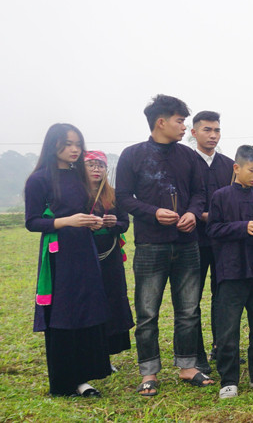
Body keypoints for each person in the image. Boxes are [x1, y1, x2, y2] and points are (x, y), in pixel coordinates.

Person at [116, 94, 213, 396]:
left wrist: (192, 214)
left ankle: (187, 366)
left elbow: (200, 193)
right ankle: (149, 372)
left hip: (187, 244)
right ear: (161, 122)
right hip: (150, 246)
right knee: (147, 313)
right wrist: (153, 212)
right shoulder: (132, 155)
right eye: (180, 121)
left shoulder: (188, 157)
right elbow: (124, 198)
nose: (184, 127)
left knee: (188, 309)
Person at [25, 124, 110, 397]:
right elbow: (32, 222)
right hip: (58, 255)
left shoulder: (80, 177)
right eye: (68, 144)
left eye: (78, 144)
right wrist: (66, 222)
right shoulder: (39, 179)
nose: (74, 149)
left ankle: (84, 379)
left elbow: (83, 211)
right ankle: (64, 383)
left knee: (86, 309)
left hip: (84, 251)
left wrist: (93, 222)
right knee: (63, 314)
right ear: (53, 145)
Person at [207, 145, 253, 399]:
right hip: (231, 272)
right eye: (252, 170)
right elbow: (212, 230)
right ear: (236, 168)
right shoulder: (221, 196)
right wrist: (240, 227)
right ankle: (229, 379)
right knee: (228, 329)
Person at [191, 110, 233, 367]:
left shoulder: (229, 165)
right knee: (191, 300)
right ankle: (195, 356)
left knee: (224, 297)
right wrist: (200, 214)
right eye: (207, 130)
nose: (213, 135)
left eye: (216, 130)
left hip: (223, 243)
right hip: (192, 241)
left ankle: (222, 347)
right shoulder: (186, 161)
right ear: (193, 132)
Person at [85, 150, 135, 362]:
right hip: (85, 255)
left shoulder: (113, 195)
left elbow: (125, 223)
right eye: (91, 165)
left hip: (111, 256)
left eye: (101, 166)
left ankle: (108, 353)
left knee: (112, 299)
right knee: (89, 301)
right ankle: (91, 352)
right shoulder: (76, 194)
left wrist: (115, 223)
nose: (97, 170)